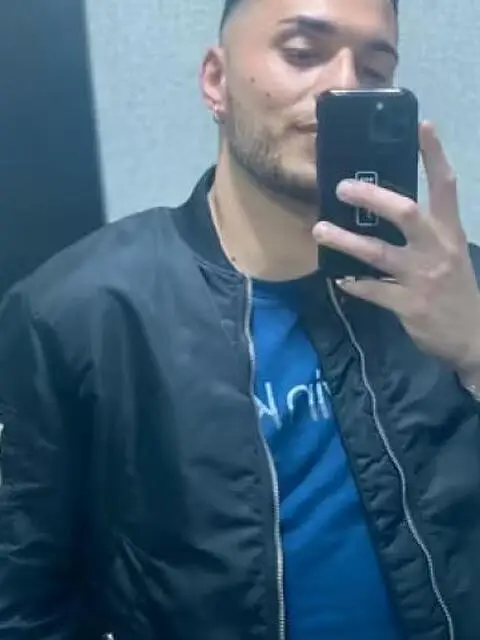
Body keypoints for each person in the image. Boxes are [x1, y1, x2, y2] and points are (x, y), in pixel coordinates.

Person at [0, 0, 479, 638]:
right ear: (216, 80)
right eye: (303, 52)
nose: (343, 85)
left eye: (374, 70)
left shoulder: (457, 289)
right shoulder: (80, 313)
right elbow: (22, 600)